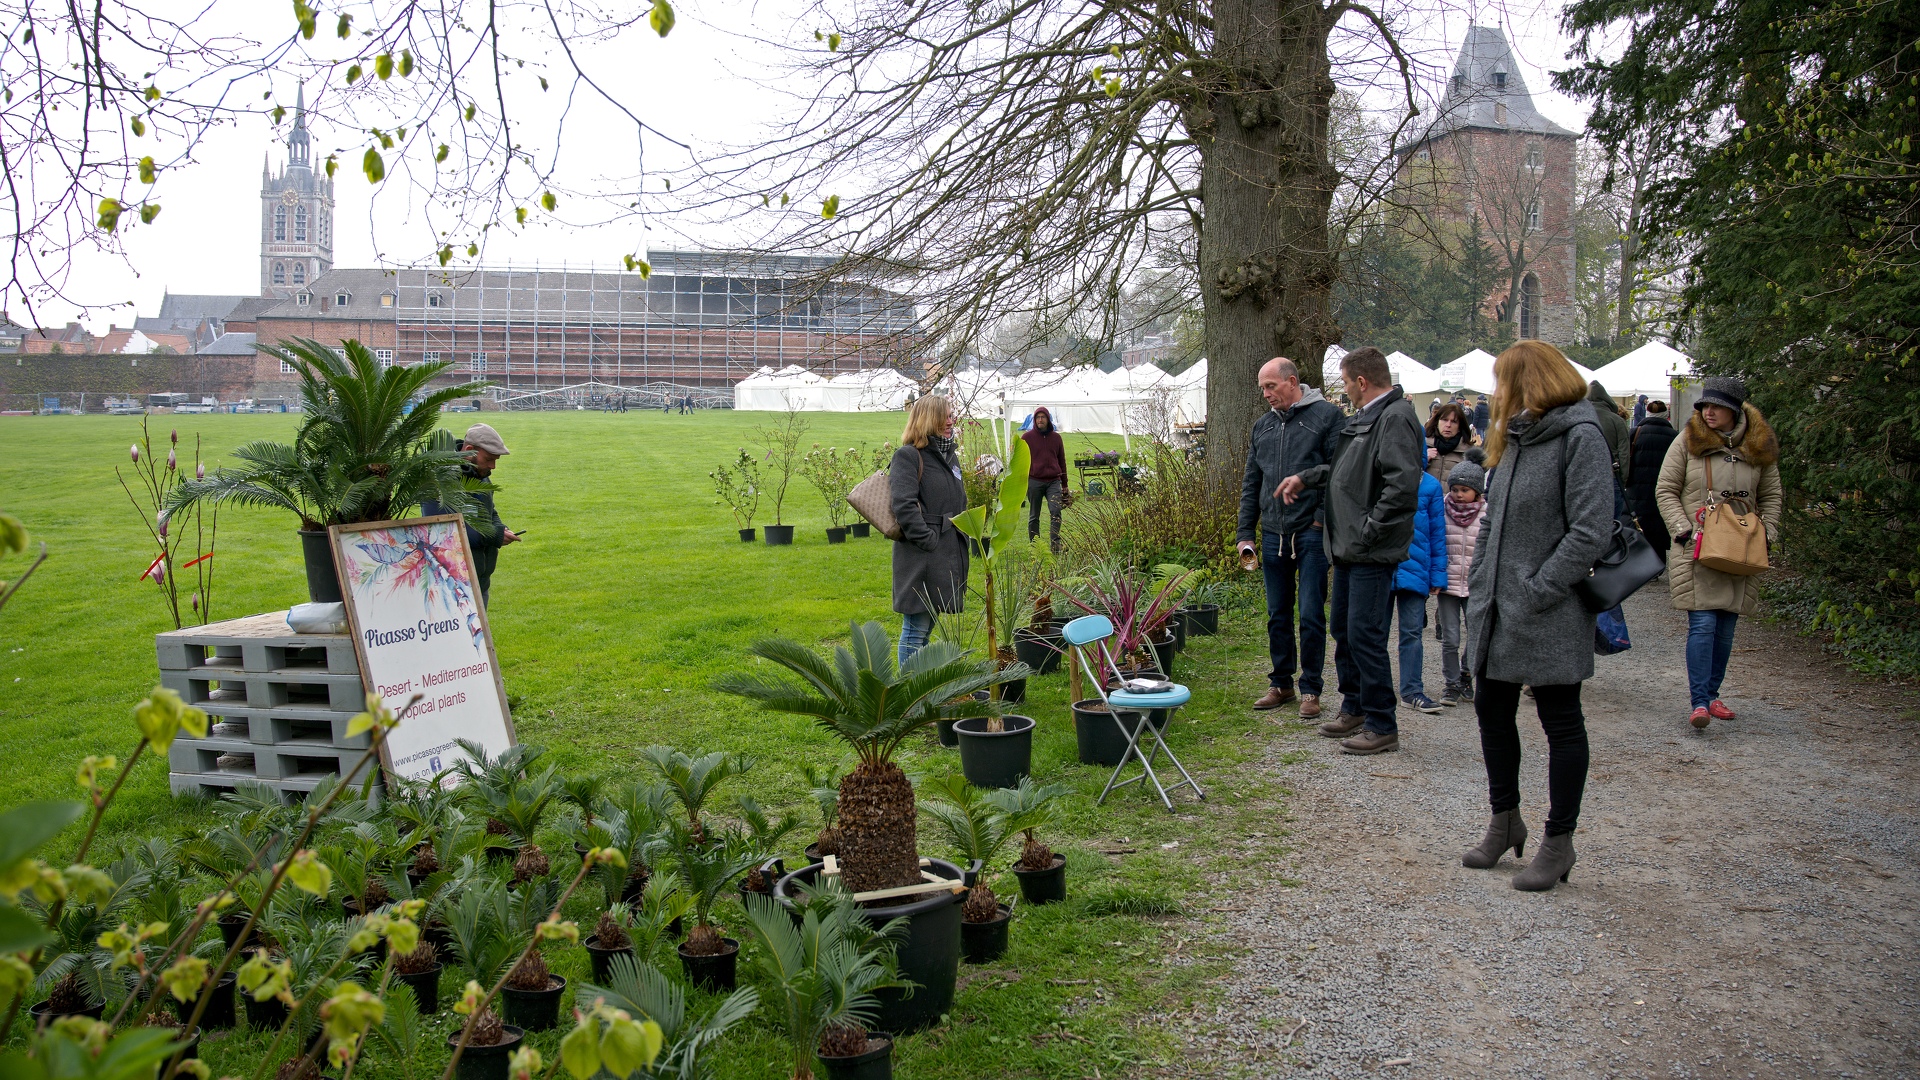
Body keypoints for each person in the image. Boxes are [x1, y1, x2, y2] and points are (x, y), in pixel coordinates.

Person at [1459, 341, 1613, 892]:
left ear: (1531, 382)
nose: (1496, 393)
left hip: (1549, 611)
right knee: (1491, 710)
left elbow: (1590, 531)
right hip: (1497, 609)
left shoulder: (1580, 436)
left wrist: (1536, 590)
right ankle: (1505, 821)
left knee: (1561, 720)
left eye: (1503, 381)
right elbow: (1491, 523)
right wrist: (1480, 584)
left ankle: (1558, 841)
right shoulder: (1515, 438)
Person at [1277, 347, 1425, 754]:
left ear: (1362, 382)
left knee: (1365, 634)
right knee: (1343, 629)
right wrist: (1305, 477)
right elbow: (1344, 469)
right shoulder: (1366, 418)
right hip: (1347, 547)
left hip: (1368, 550)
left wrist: (1369, 530)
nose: (1344, 391)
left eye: (1344, 382)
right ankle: (1355, 706)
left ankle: (1382, 722)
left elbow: (1401, 485)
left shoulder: (1394, 418)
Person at [1655, 377, 1782, 730]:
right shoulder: (1687, 441)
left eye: (1717, 406)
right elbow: (1665, 489)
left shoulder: (1759, 447)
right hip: (1697, 545)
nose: (1708, 412)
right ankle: (1698, 703)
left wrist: (1767, 533)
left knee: (1726, 627)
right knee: (1703, 623)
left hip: (1742, 545)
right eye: (1704, 406)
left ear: (1735, 411)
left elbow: (1771, 496)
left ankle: (1712, 695)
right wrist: (1682, 528)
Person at [1236, 357, 1344, 716]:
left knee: (1311, 614)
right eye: (1262, 388)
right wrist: (1244, 533)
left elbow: (1340, 472)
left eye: (1271, 386)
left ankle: (1311, 689)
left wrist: (1319, 519)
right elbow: (1253, 483)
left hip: (1310, 534)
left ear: (1293, 381)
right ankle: (1281, 684)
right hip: (1272, 533)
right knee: (1276, 614)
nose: (1266, 394)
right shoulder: (1262, 427)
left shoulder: (1326, 417)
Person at [889, 395, 970, 668]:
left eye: (951, 415)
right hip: (921, 556)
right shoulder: (908, 456)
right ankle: (910, 696)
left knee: (925, 628)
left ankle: (920, 690)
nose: (951, 420)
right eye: (945, 416)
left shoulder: (948, 455)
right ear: (929, 419)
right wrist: (928, 540)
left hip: (944, 553)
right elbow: (903, 505)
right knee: (915, 630)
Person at [420, 422, 519, 607]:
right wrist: (494, 535)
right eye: (489, 459)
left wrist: (500, 528)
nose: (493, 466)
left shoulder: (479, 473)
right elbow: (445, 530)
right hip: (450, 584)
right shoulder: (438, 480)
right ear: (469, 450)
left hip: (480, 581)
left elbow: (490, 511)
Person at [1393, 467, 1448, 713]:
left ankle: (1412, 690)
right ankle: (1373, 691)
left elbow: (1437, 533)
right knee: (1373, 633)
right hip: (1380, 566)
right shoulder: (1378, 474)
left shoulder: (1431, 486)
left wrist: (1437, 574)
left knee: (1412, 633)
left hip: (1415, 570)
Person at [1436, 449, 1486, 706]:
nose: (1458, 494)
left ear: (1477, 491)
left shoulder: (1487, 514)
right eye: (1455, 489)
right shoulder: (1442, 510)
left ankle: (1466, 673)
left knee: (1476, 634)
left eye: (1464, 490)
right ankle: (1451, 682)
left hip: (1476, 585)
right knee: (1450, 637)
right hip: (1448, 583)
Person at [1625, 400, 1679, 556]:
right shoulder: (1674, 436)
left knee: (1639, 523)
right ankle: (1659, 562)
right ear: (1665, 415)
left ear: (1647, 412)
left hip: (1637, 487)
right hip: (1663, 486)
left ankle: (1640, 561)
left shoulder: (1635, 433)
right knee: (1659, 524)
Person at [1022, 407, 1068, 553]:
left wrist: (1065, 484)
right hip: (1034, 480)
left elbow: (1062, 460)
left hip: (1054, 481)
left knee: (1056, 511)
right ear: (1034, 420)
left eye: (1043, 417)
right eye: (1037, 417)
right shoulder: (1027, 438)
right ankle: (1035, 546)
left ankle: (1055, 545)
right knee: (1034, 515)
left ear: (1048, 419)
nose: (1040, 420)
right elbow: (1020, 461)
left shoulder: (1056, 438)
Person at [1587, 381, 1632, 519]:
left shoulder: (1578, 419)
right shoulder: (1617, 421)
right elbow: (1624, 453)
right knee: (1613, 525)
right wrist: (1622, 479)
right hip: (1612, 477)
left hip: (1584, 479)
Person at [1424, 401, 1478, 484]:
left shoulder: (1468, 453)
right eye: (1444, 420)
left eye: (1454, 421)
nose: (1448, 425)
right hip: (1426, 496)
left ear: (1460, 426)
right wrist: (1423, 460)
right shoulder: (1423, 446)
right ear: (1437, 422)